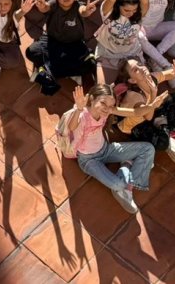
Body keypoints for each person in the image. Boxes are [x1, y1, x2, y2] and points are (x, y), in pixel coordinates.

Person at [58, 83, 157, 214]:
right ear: (92, 98)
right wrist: (79, 109)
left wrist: (153, 104)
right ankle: (127, 168)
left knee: (148, 149)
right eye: (103, 103)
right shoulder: (82, 115)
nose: (106, 109)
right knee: (118, 185)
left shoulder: (107, 111)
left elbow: (136, 112)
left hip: (106, 150)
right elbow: (71, 127)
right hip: (89, 160)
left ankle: (128, 185)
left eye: (110, 106)